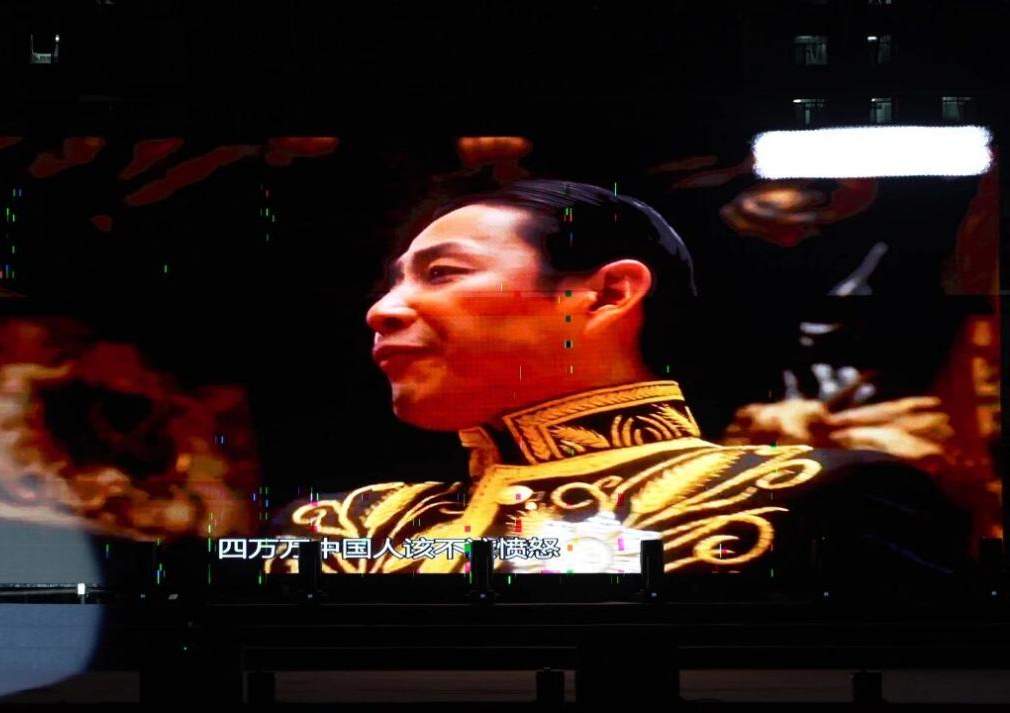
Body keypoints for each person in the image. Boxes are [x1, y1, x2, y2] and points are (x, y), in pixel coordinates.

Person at [266, 179, 969, 583]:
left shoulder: (820, 500)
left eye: (442, 273)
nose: (383, 311)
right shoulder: (339, 531)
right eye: (392, 283)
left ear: (606, 295)